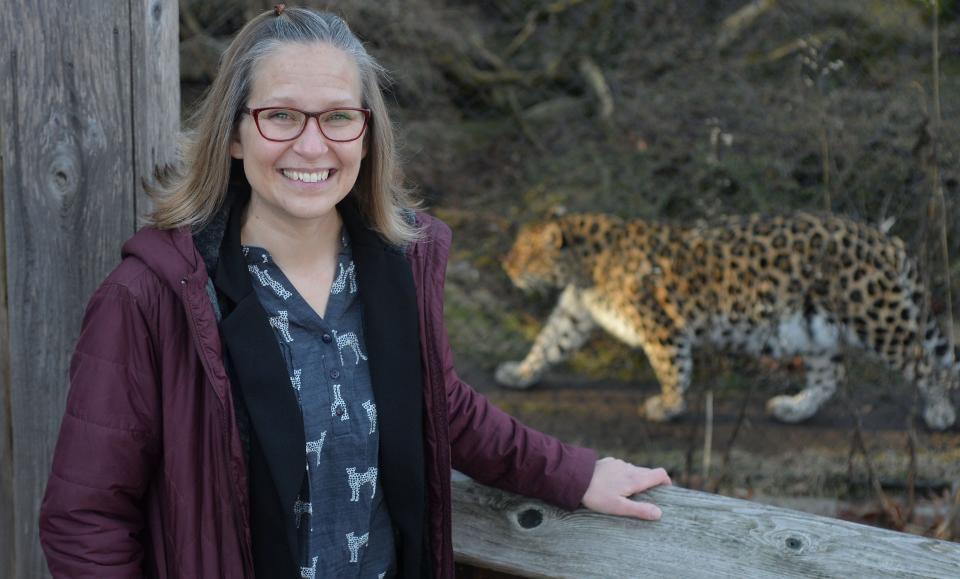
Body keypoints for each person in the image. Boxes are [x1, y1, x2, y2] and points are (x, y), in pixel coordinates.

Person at [38, 5, 671, 578]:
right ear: (234, 135)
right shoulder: (152, 299)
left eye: (338, 117)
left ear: (366, 136)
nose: (311, 145)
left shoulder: (399, 268)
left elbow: (442, 404)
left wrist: (575, 473)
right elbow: (85, 519)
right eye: (280, 115)